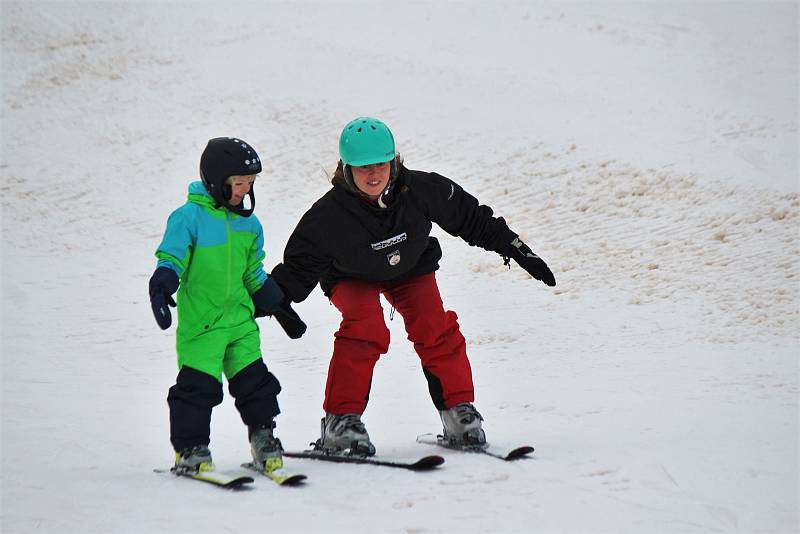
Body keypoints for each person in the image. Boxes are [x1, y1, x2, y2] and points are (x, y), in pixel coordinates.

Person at [270, 117, 555, 455]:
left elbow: (473, 219)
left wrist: (515, 248)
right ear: (346, 169)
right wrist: (271, 300)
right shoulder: (327, 217)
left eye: (380, 164)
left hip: (409, 267)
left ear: (394, 161)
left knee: (435, 326)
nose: (373, 174)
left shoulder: (421, 190)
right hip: (350, 276)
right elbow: (297, 268)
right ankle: (340, 422)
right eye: (363, 168)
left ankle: (458, 413)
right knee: (367, 328)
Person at [148, 137, 307, 474]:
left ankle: (263, 439)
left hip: (240, 324)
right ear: (216, 181)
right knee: (197, 390)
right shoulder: (188, 218)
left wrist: (279, 305)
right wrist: (162, 284)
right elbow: (172, 257)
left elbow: (253, 273)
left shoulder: (249, 224)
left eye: (249, 184)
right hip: (203, 326)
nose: (244, 191)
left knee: (257, 384)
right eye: (238, 184)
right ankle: (191, 450)